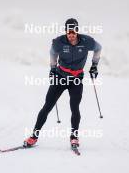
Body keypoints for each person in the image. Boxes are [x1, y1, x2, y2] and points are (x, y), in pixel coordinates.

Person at [24, 18, 102, 149]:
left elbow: (99, 48)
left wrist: (94, 65)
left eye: (74, 32)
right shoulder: (59, 42)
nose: (71, 35)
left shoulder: (86, 41)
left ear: (77, 31)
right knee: (47, 106)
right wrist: (53, 68)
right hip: (60, 77)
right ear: (66, 31)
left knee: (74, 107)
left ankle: (74, 137)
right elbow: (52, 53)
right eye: (69, 32)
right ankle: (33, 136)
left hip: (76, 79)